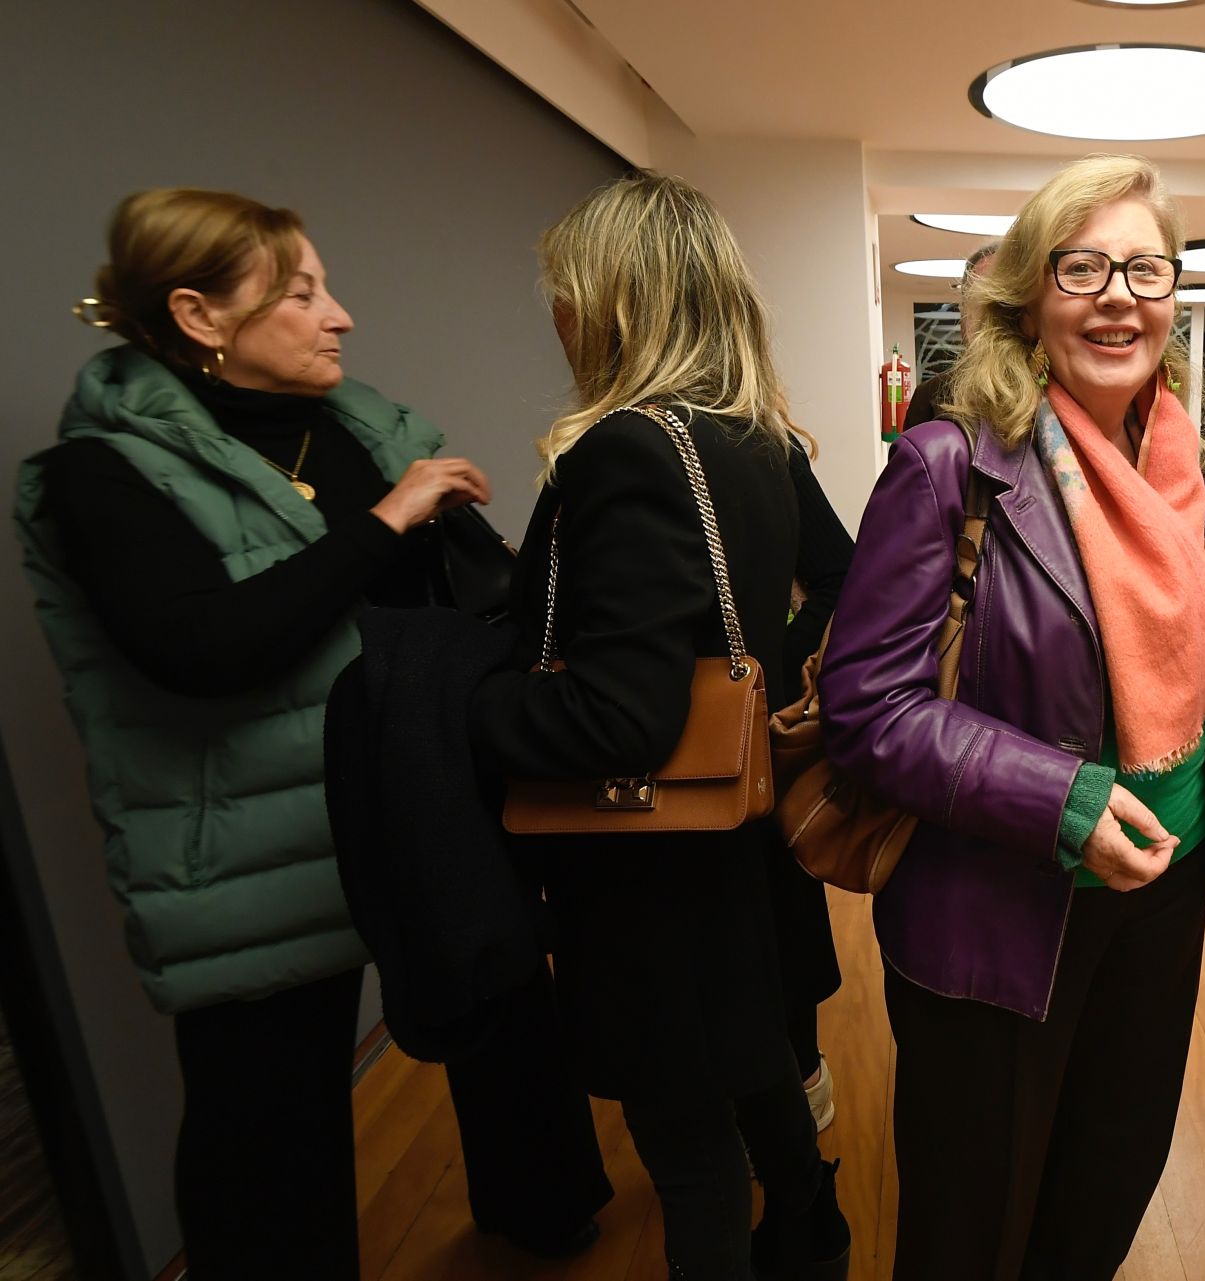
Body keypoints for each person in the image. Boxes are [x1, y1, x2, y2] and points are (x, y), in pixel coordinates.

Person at [14, 188, 610, 1280]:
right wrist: (388, 523)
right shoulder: (98, 477)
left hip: (425, 804)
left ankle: (546, 1219)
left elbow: (463, 611)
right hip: (255, 861)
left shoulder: (363, 430)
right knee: (268, 1132)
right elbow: (203, 650)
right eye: (301, 293)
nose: (339, 316)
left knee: (507, 1020)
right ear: (198, 316)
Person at [819, 154, 1205, 1280]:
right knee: (974, 1223)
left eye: (1143, 268)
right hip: (1001, 915)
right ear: (1030, 297)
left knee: (1104, 1186)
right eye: (1083, 268)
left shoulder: (1178, 466)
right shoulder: (945, 467)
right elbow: (866, 706)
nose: (1117, 295)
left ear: (1173, 300)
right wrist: (1064, 800)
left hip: (1157, 899)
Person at [465, 171, 849, 1281]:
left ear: (616, 300)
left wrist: (474, 703)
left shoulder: (626, 449)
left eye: (565, 288)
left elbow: (619, 717)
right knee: (756, 1054)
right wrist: (763, 687)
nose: (557, 312)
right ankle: (815, 1236)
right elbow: (807, 591)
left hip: (645, 868)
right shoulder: (755, 439)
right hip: (731, 846)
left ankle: (803, 1238)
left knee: (688, 1154)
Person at [777, 444, 854, 1130]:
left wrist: (768, 665)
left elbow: (838, 570)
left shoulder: (767, 448)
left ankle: (800, 1080)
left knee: (776, 886)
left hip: (758, 733)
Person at [900, 240, 999, 432]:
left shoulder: (1053, 393)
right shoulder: (930, 396)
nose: (990, 317)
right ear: (962, 315)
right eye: (976, 301)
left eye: (1000, 301)